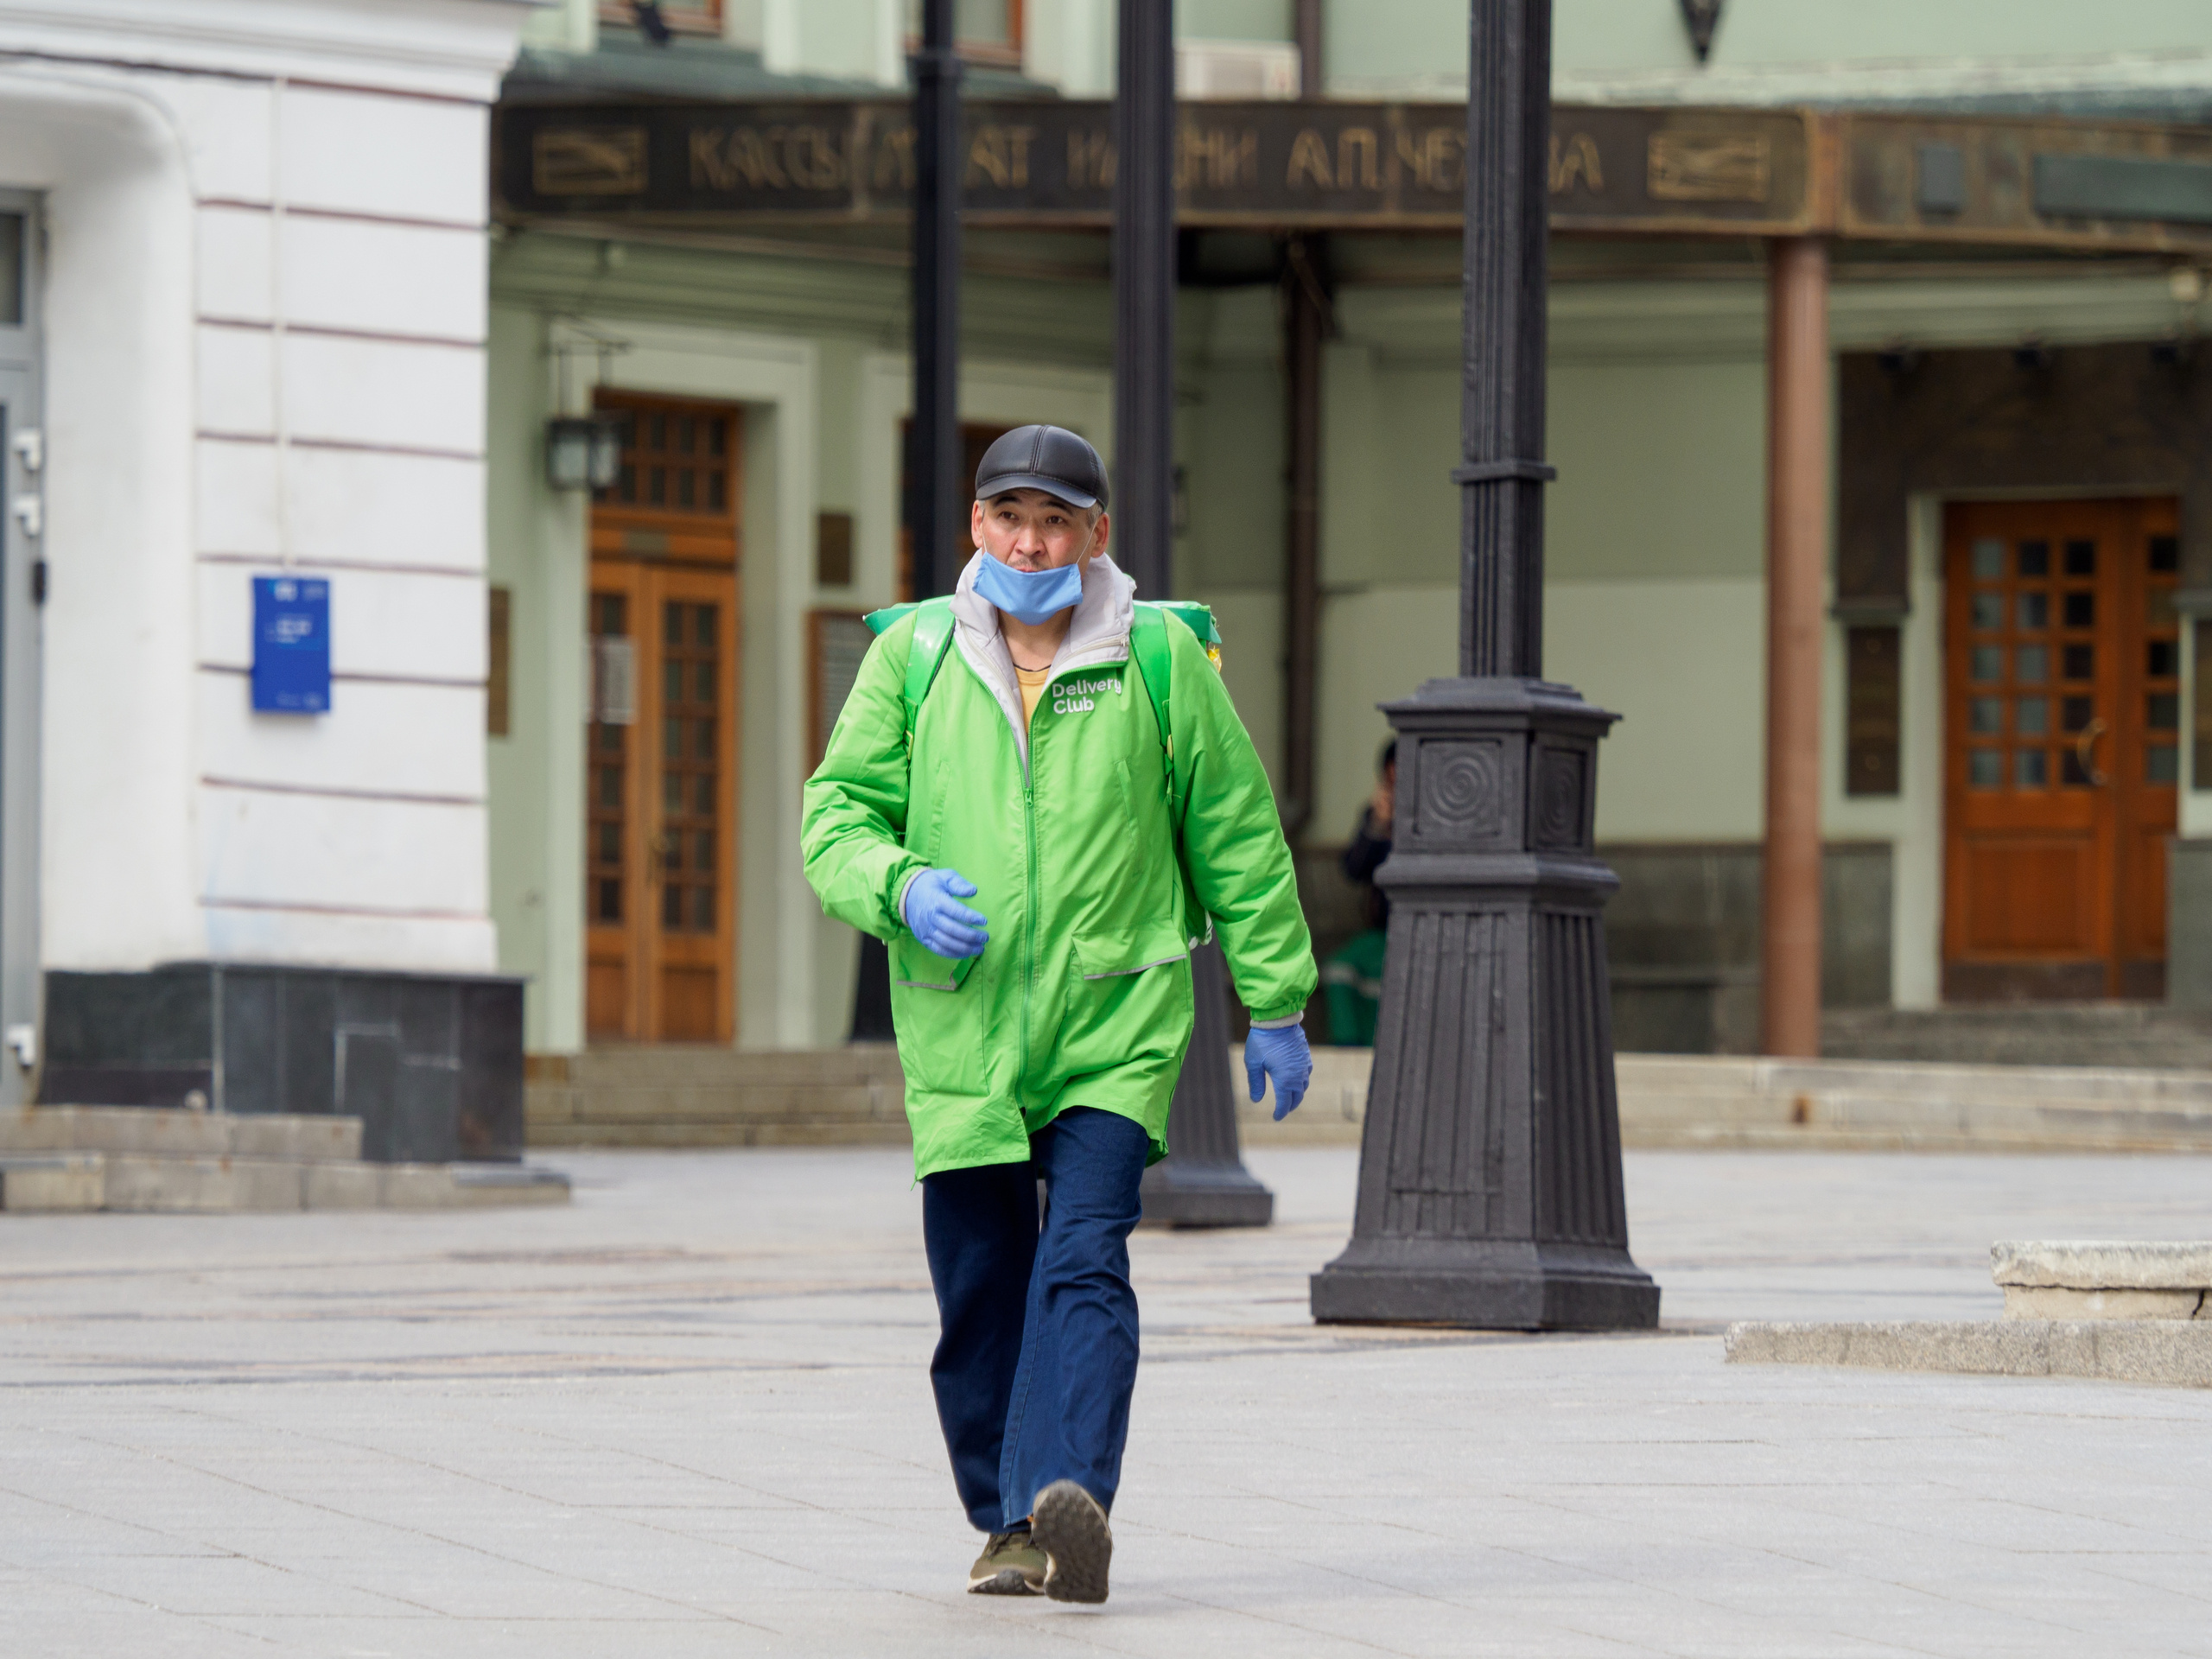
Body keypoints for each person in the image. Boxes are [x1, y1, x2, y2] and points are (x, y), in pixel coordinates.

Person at [800, 425, 1317, 1605]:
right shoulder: (914, 658)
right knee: (981, 1281)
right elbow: (835, 814)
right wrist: (898, 887)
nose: (1033, 541)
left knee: (1083, 1256)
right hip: (961, 1023)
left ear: (1096, 537)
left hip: (1113, 1018)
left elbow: (1233, 830)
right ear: (975, 527)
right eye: (1012, 518)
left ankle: (1070, 1491)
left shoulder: (1162, 662)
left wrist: (1275, 997)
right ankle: (1007, 1524)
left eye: (1057, 522)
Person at [1323, 740, 1395, 1046]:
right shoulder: (1378, 816)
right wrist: (1379, 825)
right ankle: (1348, 1050)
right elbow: (1353, 869)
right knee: (1339, 970)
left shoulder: (1437, 820)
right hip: (1378, 934)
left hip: (1418, 935)